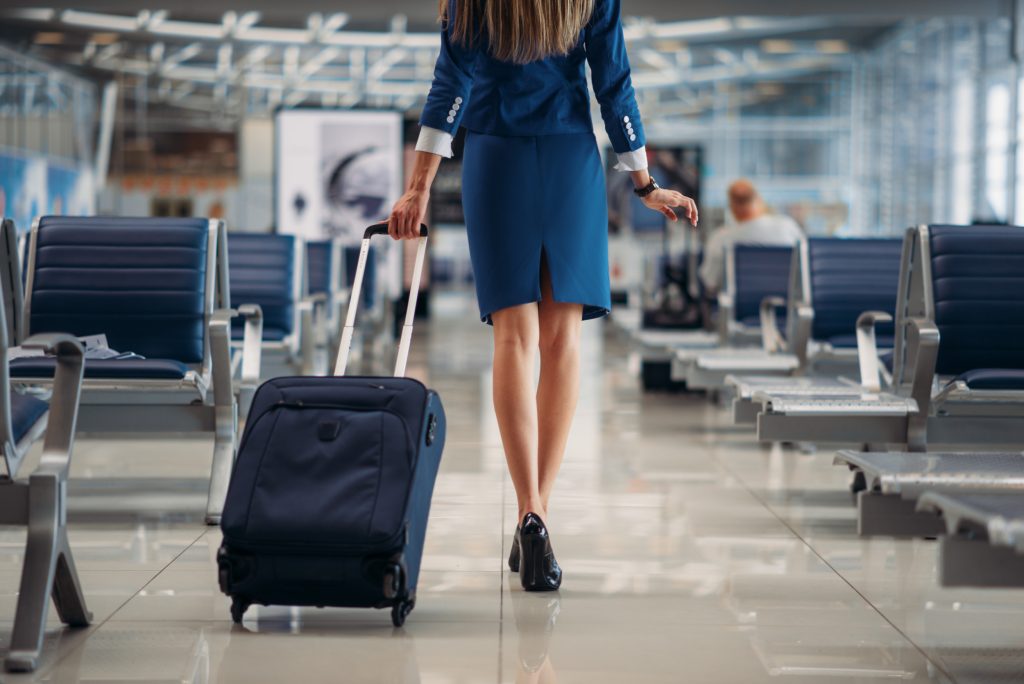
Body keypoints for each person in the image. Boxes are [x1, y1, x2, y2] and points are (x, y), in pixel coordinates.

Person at [387, 0, 697, 591]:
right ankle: (537, 515)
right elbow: (614, 84)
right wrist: (645, 185)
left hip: (495, 156)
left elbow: (449, 82)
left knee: (514, 338)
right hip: (568, 155)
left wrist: (417, 189)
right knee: (563, 341)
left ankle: (528, 505)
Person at [698, 179, 803, 293]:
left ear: (732, 206)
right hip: (785, 305)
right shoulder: (788, 227)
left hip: (739, 308)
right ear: (759, 200)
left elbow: (710, 282)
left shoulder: (721, 238)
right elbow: (803, 269)